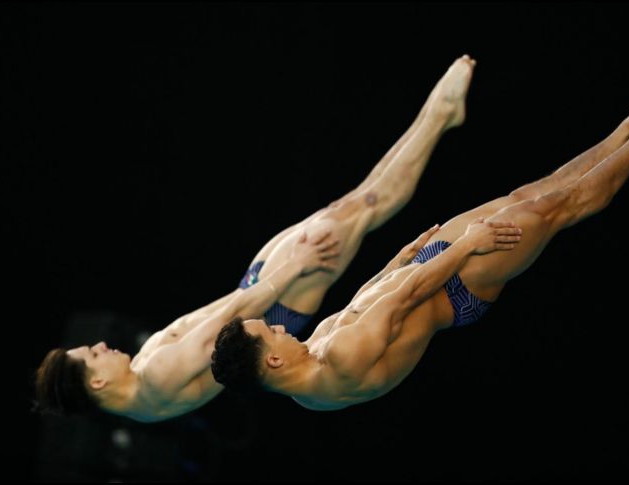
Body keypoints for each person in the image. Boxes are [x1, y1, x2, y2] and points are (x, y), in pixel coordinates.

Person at [33, 55, 480, 422]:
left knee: (354, 206)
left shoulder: (142, 399)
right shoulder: (155, 376)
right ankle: (439, 115)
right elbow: (221, 323)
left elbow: (217, 315)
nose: (104, 346)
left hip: (257, 295)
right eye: (94, 354)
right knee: (362, 209)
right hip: (269, 301)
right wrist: (292, 269)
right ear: (96, 382)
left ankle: (438, 116)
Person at [211, 86, 629, 411]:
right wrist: (467, 246)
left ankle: (625, 134)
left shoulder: (306, 362)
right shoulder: (339, 364)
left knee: (529, 194)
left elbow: (365, 302)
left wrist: (396, 260)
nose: (278, 324)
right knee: (554, 209)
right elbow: (406, 299)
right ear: (271, 361)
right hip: (455, 286)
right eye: (269, 330)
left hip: (430, 268)